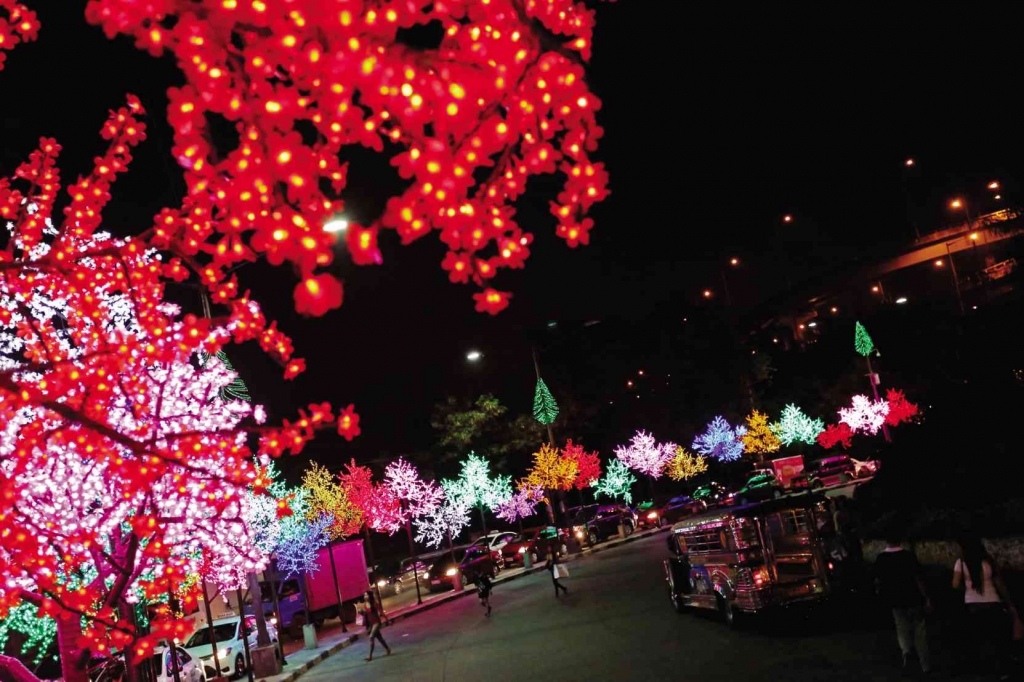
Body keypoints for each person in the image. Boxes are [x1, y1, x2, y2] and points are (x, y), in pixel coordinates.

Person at [951, 535, 1021, 677]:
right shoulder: (988, 561)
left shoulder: (961, 563)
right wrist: (1009, 603)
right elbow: (1000, 585)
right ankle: (1003, 671)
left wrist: (967, 585)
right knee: (997, 641)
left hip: (973, 607)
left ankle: (981, 671)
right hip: (993, 604)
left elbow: (955, 585)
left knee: (977, 642)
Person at [874, 530, 931, 676]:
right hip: (914, 598)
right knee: (920, 630)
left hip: (895, 600)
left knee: (902, 628)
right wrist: (926, 597)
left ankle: (907, 652)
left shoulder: (881, 559)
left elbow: (878, 582)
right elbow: (918, 579)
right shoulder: (909, 556)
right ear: (900, 541)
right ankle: (925, 664)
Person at [359, 590, 391, 662]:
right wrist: (361, 612)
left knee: (371, 636)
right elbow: (366, 614)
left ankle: (370, 655)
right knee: (379, 638)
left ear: (370, 596)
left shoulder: (375, 603)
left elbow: (381, 613)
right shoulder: (365, 604)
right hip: (370, 624)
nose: (365, 597)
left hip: (376, 622)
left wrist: (387, 620)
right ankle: (388, 649)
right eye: (364, 595)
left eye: (366, 595)